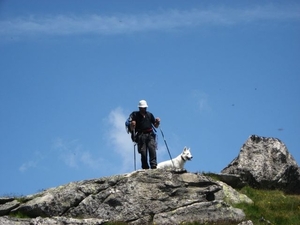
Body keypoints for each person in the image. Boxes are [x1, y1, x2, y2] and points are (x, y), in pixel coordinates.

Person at [128, 100, 160, 169]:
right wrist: (132, 124)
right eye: (142, 108)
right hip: (141, 135)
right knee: (143, 152)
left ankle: (153, 165)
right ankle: (145, 167)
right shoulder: (135, 115)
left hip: (150, 134)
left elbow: (155, 126)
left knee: (152, 149)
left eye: (144, 108)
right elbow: (131, 127)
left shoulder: (149, 115)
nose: (143, 109)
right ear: (139, 108)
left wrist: (157, 122)